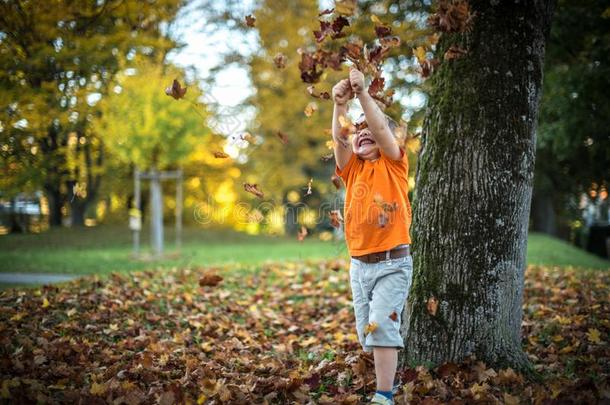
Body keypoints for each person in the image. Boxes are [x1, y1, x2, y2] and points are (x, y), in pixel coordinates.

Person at [331, 68, 414, 405]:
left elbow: (379, 127)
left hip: (392, 263)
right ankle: (388, 376)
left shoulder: (394, 164)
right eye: (359, 131)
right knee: (368, 334)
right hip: (359, 268)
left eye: (371, 130)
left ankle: (384, 395)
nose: (363, 132)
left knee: (380, 328)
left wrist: (363, 95)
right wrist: (338, 106)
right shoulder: (354, 170)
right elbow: (339, 139)